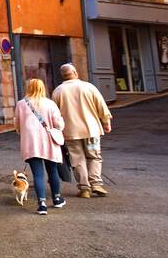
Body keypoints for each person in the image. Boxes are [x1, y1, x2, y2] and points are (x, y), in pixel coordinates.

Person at [52, 63, 112, 198]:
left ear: (63, 75)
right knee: (94, 156)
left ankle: (84, 188)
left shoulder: (58, 91)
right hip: (92, 131)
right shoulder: (89, 87)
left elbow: (54, 114)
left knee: (77, 159)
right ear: (75, 72)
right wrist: (106, 122)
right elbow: (101, 107)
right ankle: (96, 183)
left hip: (70, 133)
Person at [13, 78, 67, 216]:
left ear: (29, 88)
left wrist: (25, 130)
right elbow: (59, 125)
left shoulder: (21, 104)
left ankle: (42, 204)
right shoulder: (50, 104)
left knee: (38, 174)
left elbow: (17, 125)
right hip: (49, 142)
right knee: (53, 171)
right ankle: (57, 199)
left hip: (31, 144)